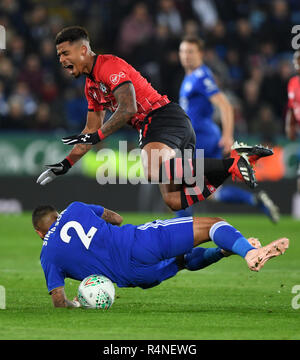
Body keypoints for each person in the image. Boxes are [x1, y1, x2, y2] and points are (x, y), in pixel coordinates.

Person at [36, 26, 273, 212]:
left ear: (83, 50)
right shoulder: (92, 87)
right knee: (173, 200)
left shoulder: (108, 66)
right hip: (168, 125)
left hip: (162, 118)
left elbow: (128, 109)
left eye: (65, 53)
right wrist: (65, 164)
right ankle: (236, 164)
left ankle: (233, 164)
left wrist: (97, 135)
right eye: (59, 55)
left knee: (153, 169)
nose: (61, 60)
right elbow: (90, 130)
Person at [32, 201, 289, 308]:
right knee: (212, 224)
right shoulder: (75, 208)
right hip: (139, 243)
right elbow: (117, 219)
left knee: (184, 261)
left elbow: (58, 299)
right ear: (57, 214)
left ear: (39, 232)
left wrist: (76, 304)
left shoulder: (48, 255)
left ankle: (224, 251)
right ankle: (250, 252)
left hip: (136, 277)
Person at [177, 36, 279, 222]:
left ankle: (179, 237)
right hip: (199, 137)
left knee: (180, 184)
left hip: (202, 138)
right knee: (207, 191)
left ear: (200, 54)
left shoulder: (201, 76)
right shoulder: (190, 76)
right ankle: (255, 200)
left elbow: (225, 105)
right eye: (183, 51)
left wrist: (227, 135)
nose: (186, 56)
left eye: (191, 51)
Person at [285, 50, 300, 218]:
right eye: (296, 60)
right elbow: (291, 106)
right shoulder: (293, 83)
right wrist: (289, 125)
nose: (297, 64)